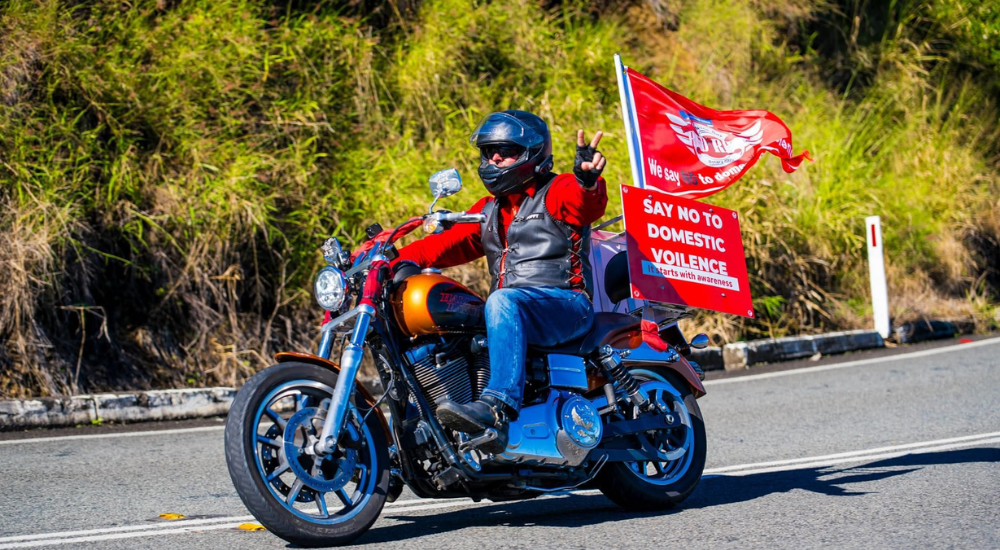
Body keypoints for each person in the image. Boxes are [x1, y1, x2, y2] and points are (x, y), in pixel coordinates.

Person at [395, 110, 608, 453]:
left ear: (532, 154)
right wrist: (388, 260)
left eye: (506, 150)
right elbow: (439, 245)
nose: (494, 158)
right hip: (519, 309)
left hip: (565, 304)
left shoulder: (556, 190)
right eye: (489, 150)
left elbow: (583, 205)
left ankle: (496, 407)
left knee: (502, 299)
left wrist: (587, 181)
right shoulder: (489, 210)